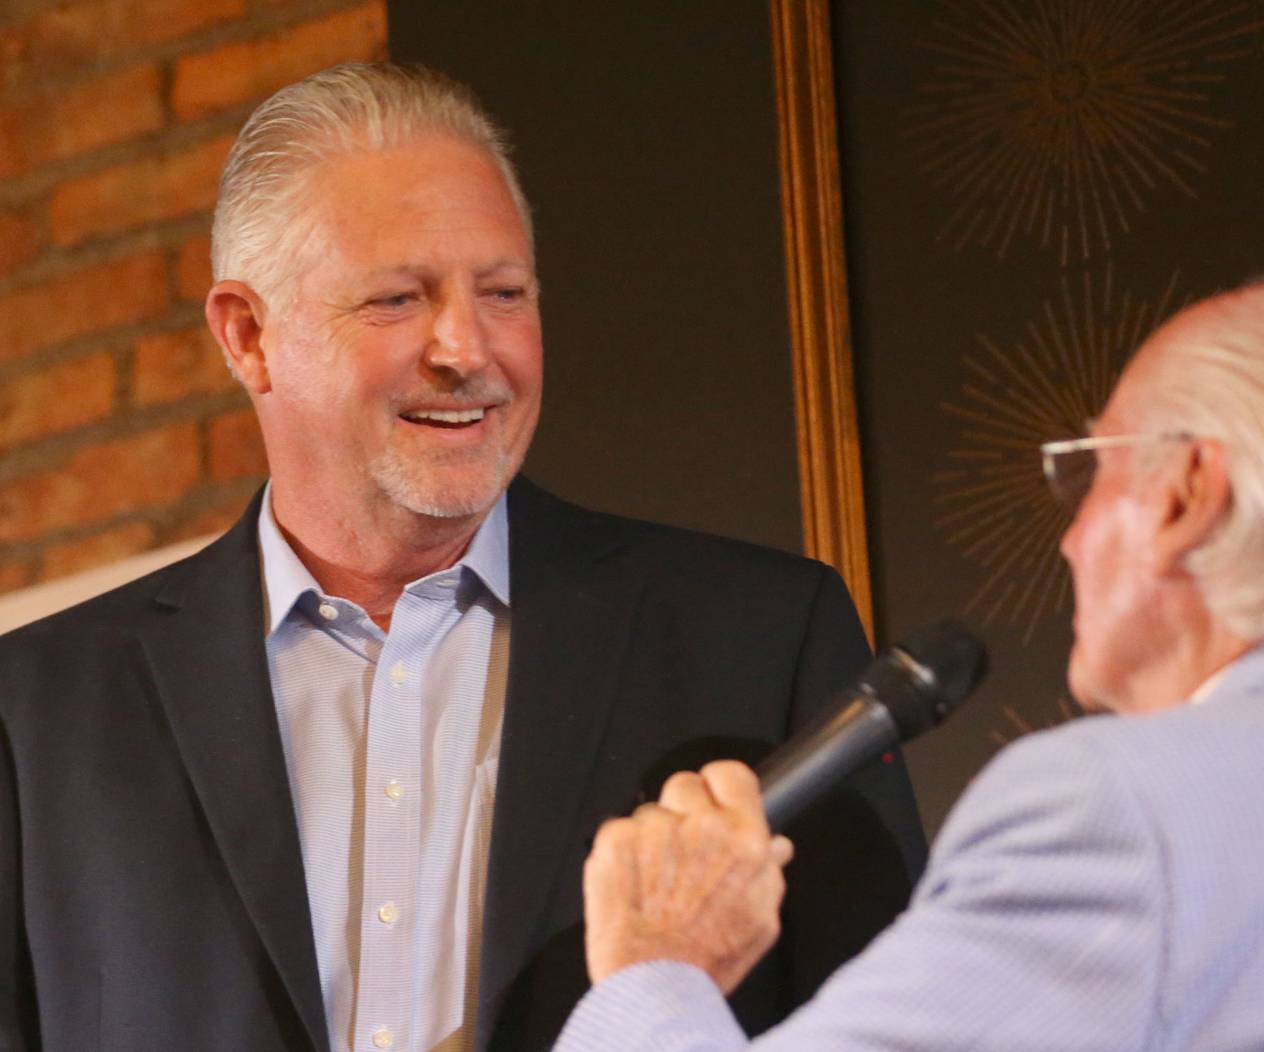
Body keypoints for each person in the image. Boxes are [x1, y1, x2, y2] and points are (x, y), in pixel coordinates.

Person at [0, 64, 925, 1052]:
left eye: (504, 291)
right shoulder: (35, 710)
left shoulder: (757, 640)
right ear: (248, 334)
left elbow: (901, 1033)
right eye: (399, 298)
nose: (466, 346)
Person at [556, 267, 1264, 1051]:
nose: (1072, 540)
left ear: (1187, 496)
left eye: (1091, 472)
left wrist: (653, 968)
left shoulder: (1120, 814)